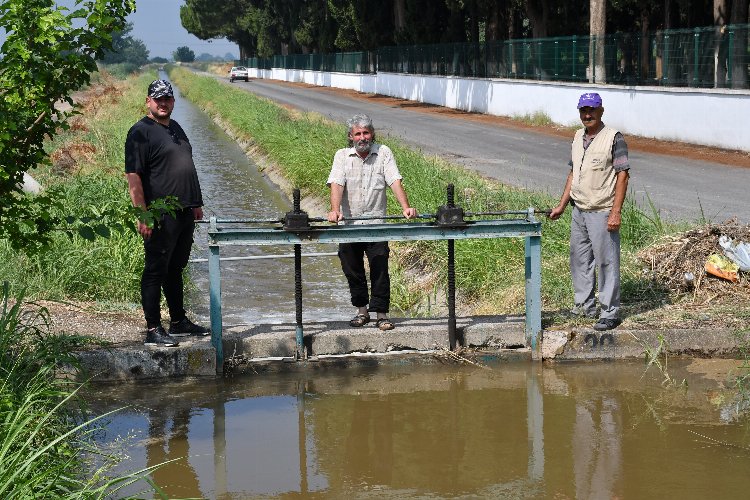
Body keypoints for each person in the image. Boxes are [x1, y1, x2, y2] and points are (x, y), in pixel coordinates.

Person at [125, 79, 209, 346]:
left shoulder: (176, 127)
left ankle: (178, 321)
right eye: (158, 99)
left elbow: (185, 164)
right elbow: (134, 175)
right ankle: (152, 329)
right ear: (148, 101)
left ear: (173, 101)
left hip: (184, 211)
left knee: (176, 267)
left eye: (168, 99)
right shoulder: (140, 132)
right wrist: (143, 214)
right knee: (155, 269)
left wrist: (195, 203)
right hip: (160, 213)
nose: (163, 103)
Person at [327, 114, 417, 331]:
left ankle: (382, 315)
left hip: (376, 223)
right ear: (351, 136)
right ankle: (361, 311)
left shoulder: (383, 153)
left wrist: (406, 207)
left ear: (372, 134)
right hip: (348, 226)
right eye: (357, 133)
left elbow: (394, 180)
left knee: (379, 267)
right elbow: (337, 184)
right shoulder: (341, 156)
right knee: (352, 268)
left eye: (366, 133)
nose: (362, 137)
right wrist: (334, 211)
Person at [549, 92, 630, 331]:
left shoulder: (614, 138)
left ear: (601, 111)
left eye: (592, 110)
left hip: (602, 211)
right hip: (579, 211)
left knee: (606, 262)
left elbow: (623, 175)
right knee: (580, 260)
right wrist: (562, 205)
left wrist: (616, 212)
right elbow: (573, 173)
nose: (587, 115)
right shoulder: (577, 137)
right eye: (583, 110)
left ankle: (609, 312)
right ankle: (584, 305)